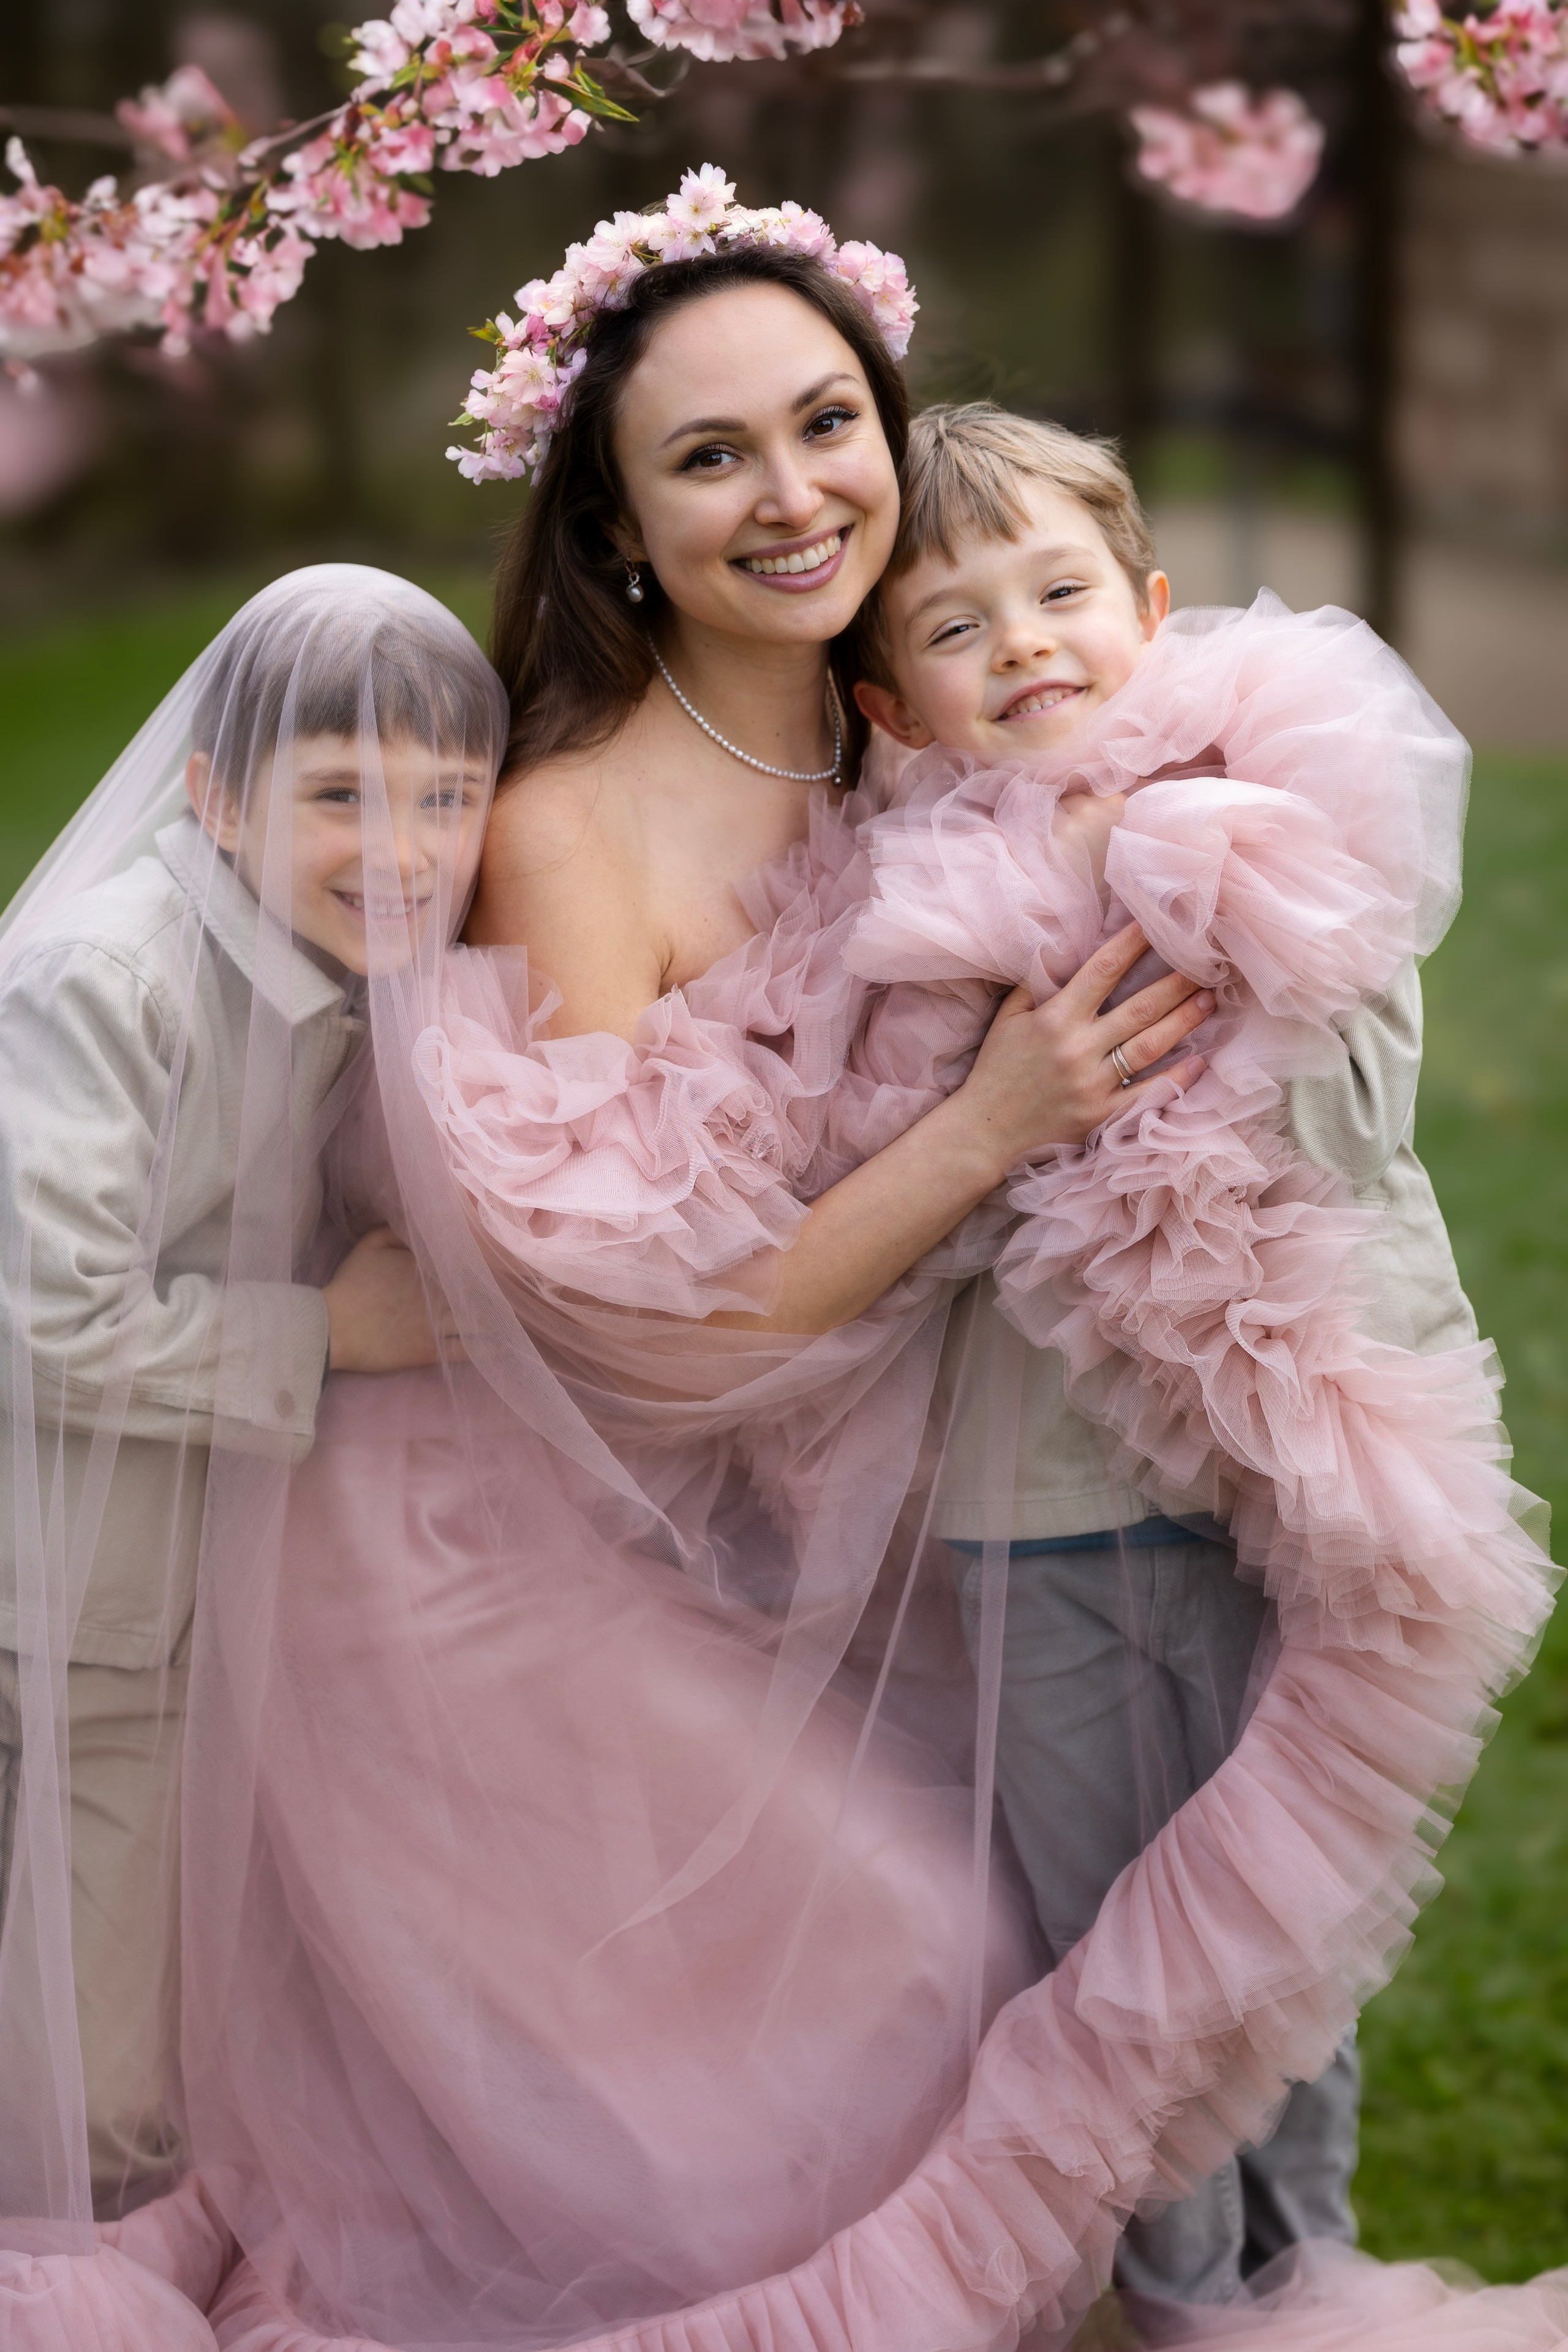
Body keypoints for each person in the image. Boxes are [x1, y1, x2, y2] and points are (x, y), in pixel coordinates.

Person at [843, 401, 1488, 2304]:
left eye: (1059, 593)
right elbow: (903, 1210)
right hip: (1036, 1503)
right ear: (890, 708)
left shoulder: (1268, 813)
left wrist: (1169, 889)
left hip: (1287, 1469)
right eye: (955, 628)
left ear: (1151, 608)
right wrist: (1003, 1092)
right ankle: (1174, 2298)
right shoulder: (890, 912)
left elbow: (1357, 1115)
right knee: (1112, 1943)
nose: (1023, 643)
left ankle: (1315, 2282)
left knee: (1277, 1925)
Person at [0, 564, 501, 2242]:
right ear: (215, 800)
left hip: (161, 1592)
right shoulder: (103, 979)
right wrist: (332, 1336)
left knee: (136, 2014)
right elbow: (46, 1313)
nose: (407, 846)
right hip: (56, 1598)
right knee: (93, 2071)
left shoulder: (337, 957)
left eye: (447, 796)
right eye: (342, 796)